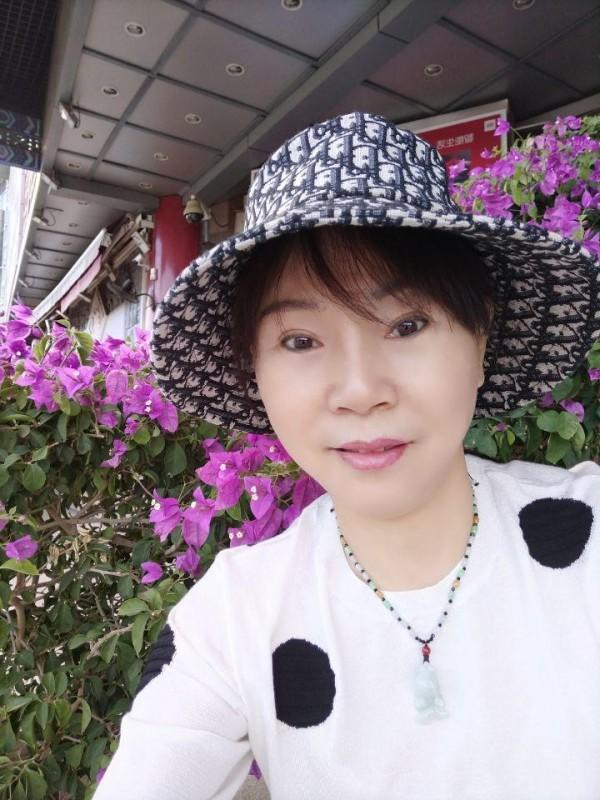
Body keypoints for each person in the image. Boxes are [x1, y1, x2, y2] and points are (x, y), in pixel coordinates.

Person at [93, 112, 600, 800]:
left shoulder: (587, 540)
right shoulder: (236, 619)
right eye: (300, 341)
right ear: (255, 368)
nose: (361, 391)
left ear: (481, 337)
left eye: (407, 325)